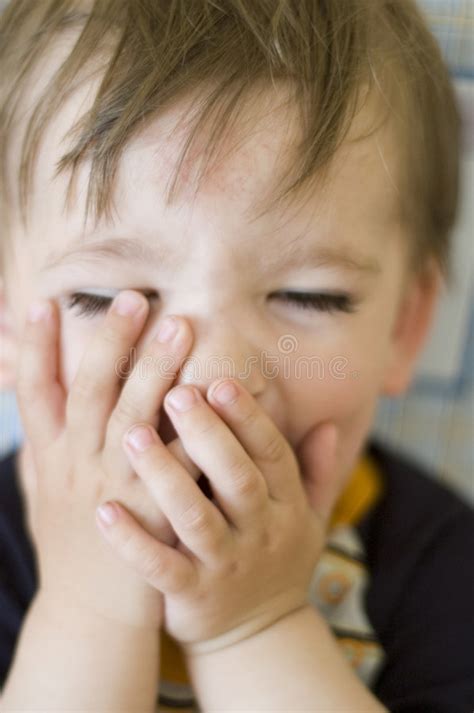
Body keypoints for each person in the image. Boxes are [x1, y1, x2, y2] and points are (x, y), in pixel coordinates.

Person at [0, 0, 472, 710]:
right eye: (106, 296)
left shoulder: (443, 568)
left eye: (312, 297)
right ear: (5, 316)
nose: (209, 379)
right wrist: (87, 606)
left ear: (404, 329)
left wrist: (256, 627)